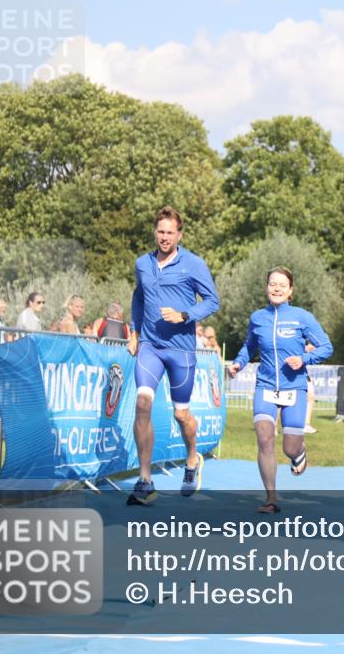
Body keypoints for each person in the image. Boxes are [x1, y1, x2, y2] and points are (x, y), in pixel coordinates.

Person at [127, 206, 220, 506]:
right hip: (151, 347)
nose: (164, 237)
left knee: (181, 414)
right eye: (160, 231)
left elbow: (212, 301)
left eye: (170, 232)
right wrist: (135, 331)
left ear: (179, 235)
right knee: (142, 404)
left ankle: (192, 458)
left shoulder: (193, 264)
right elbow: (138, 297)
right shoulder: (143, 263)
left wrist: (185, 315)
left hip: (181, 350)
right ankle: (145, 480)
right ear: (155, 232)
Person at [227, 267, 332, 513]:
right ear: (266, 288)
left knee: (289, 447)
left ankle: (299, 452)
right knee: (264, 438)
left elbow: (326, 347)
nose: (276, 288)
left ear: (290, 290)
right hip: (265, 385)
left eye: (282, 285)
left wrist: (304, 360)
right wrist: (238, 364)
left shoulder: (302, 317)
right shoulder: (257, 318)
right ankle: (271, 498)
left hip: (294, 387)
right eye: (272, 284)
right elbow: (248, 346)